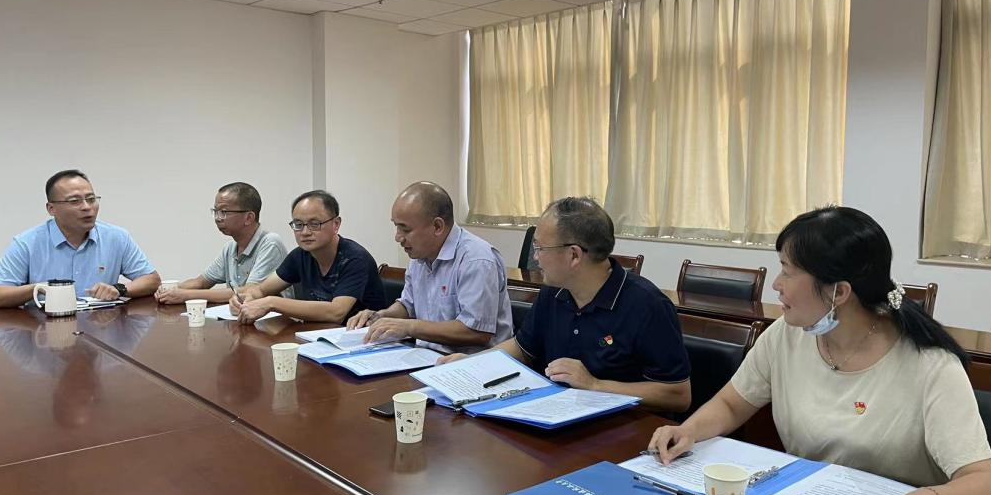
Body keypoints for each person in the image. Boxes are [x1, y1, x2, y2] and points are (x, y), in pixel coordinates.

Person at [649, 206, 991, 495]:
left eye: (787, 271)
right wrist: (689, 431)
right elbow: (731, 404)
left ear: (839, 292)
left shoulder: (930, 364)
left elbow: (986, 484)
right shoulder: (786, 335)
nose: (776, 284)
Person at [438, 197, 691, 412]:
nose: (535, 257)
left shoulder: (647, 305)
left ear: (574, 255)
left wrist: (595, 385)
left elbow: (678, 395)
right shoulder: (554, 291)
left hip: (619, 427)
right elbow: (522, 347)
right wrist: (472, 363)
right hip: (555, 414)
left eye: (540, 247)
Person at [347, 182, 513, 354]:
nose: (398, 237)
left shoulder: (476, 260)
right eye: (396, 227)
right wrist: (381, 316)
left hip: (472, 362)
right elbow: (408, 306)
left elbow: (477, 332)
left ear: (437, 226)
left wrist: (409, 327)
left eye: (405, 229)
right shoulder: (420, 255)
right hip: (427, 355)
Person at [0, 169, 159, 307]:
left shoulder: (116, 237)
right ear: (51, 209)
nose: (87, 207)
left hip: (101, 326)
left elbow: (151, 279)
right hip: (44, 329)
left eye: (91, 199)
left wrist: (119, 289)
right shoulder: (27, 243)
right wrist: (38, 288)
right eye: (75, 201)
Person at [231, 190, 385, 324]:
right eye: (298, 224)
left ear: (336, 224)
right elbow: (261, 290)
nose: (305, 232)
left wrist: (271, 303)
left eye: (314, 224)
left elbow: (336, 312)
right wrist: (243, 299)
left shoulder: (355, 259)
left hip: (361, 339)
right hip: (315, 335)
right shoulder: (300, 255)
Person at [155, 182, 288, 305]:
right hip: (241, 317)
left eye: (224, 212)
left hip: (275, 320)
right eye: (216, 212)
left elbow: (248, 291)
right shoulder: (230, 248)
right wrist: (169, 290)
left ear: (248, 218)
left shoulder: (270, 243)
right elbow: (200, 282)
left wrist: (186, 295)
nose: (218, 218)